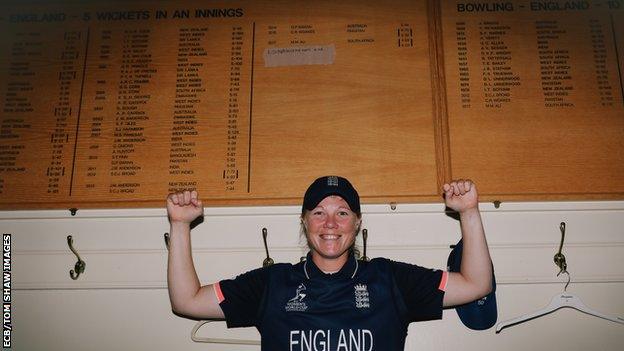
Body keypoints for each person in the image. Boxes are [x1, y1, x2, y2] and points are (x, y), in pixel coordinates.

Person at [167, 176, 492, 350]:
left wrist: (469, 212)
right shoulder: (272, 284)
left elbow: (477, 285)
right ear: (305, 222)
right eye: (319, 213)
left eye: (342, 213)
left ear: (357, 223)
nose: (330, 224)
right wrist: (180, 225)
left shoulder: (390, 280)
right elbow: (187, 300)